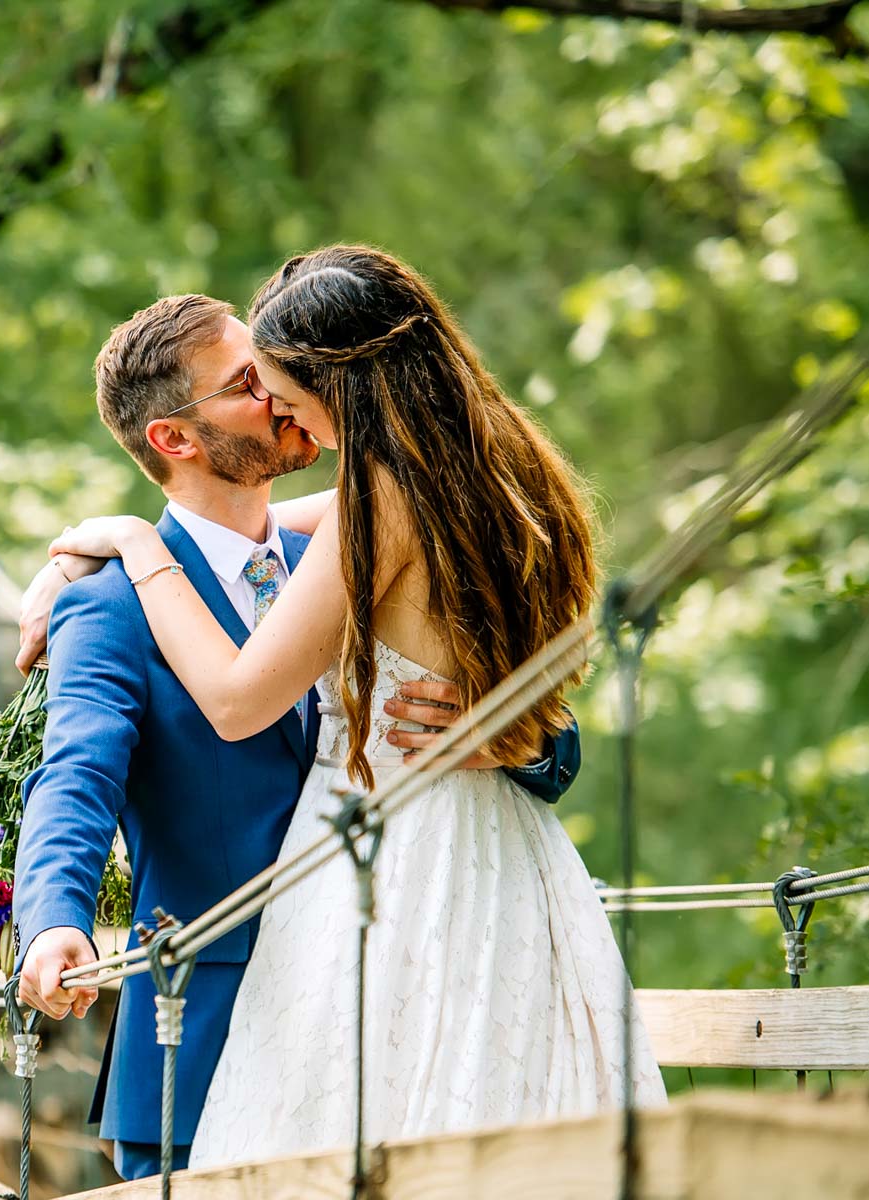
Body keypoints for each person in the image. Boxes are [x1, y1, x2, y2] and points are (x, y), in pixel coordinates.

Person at [33, 245, 666, 1170]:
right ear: (174, 438)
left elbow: (242, 699)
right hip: (434, 901)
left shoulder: (374, 509)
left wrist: (133, 538)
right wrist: (54, 917)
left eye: (278, 379)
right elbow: (73, 774)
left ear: (340, 380)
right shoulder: (479, 473)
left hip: (387, 900)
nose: (276, 399)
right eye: (248, 383)